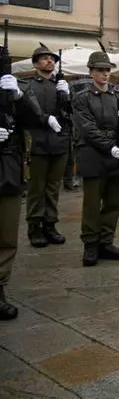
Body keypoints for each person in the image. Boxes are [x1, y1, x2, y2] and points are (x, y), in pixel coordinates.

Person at [72, 51, 119, 267]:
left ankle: (106, 242)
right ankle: (90, 244)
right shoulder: (82, 97)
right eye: (100, 70)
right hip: (93, 153)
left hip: (116, 153)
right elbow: (87, 128)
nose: (105, 74)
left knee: (114, 202)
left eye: (107, 70)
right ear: (91, 72)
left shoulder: (117, 97)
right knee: (92, 203)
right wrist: (109, 146)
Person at [0, 70, 42, 319]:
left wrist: (18, 96)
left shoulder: (15, 86)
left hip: (8, 169)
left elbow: (34, 120)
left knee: (6, 234)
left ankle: (0, 286)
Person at [23, 45, 70, 248]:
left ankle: (50, 224)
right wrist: (44, 119)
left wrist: (67, 96)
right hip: (38, 143)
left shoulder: (59, 85)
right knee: (37, 188)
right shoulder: (28, 86)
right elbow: (25, 113)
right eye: (44, 58)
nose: (49, 61)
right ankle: (35, 226)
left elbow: (69, 116)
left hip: (58, 143)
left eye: (52, 59)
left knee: (53, 188)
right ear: (36, 63)